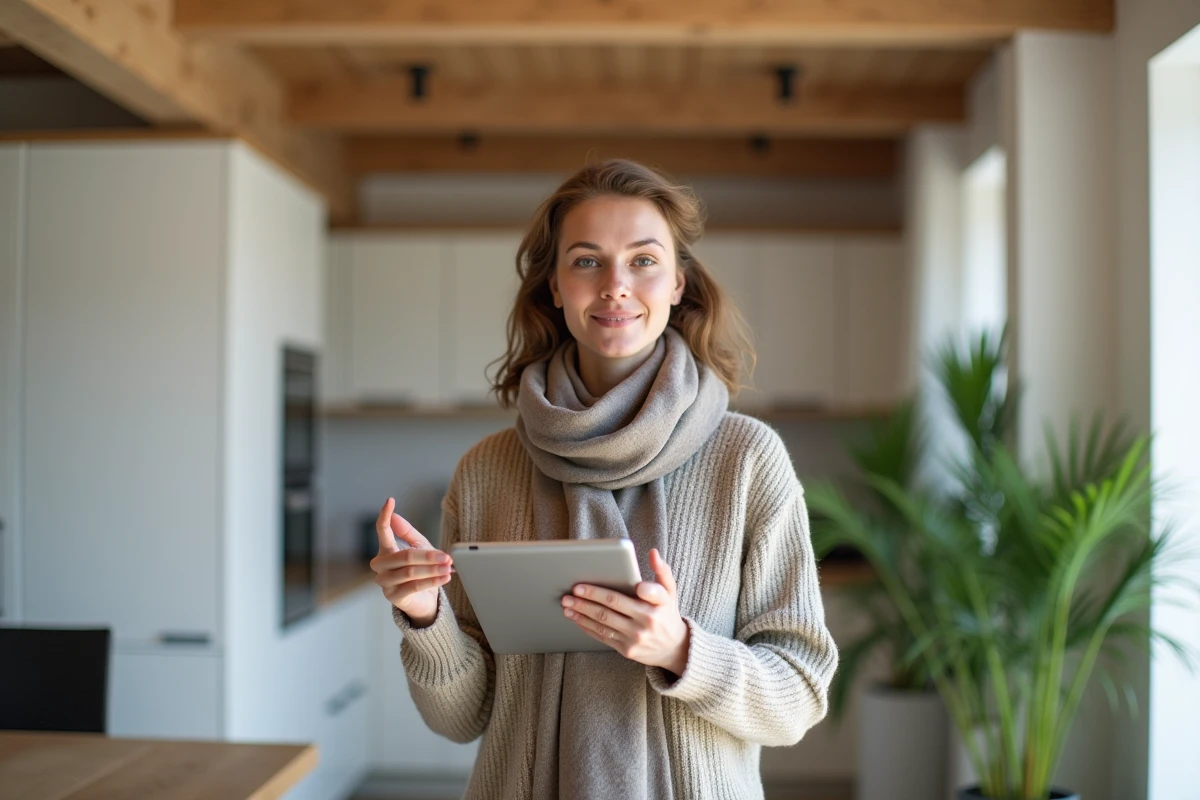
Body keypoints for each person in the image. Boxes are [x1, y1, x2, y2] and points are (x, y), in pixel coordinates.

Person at [370, 159, 838, 800]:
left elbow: (801, 697)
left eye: (643, 260)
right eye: (587, 261)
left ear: (678, 282)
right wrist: (424, 617)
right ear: (555, 288)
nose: (616, 285)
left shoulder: (748, 459)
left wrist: (681, 651)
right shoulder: (486, 472)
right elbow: (462, 719)